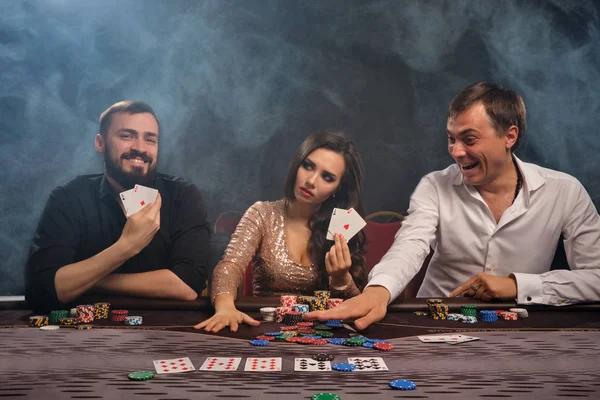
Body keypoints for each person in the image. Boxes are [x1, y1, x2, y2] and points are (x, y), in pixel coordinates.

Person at [305, 81, 600, 330]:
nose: (456, 152)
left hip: (518, 329)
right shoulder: (434, 186)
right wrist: (379, 291)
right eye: (451, 139)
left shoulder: (565, 191)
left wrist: (518, 286)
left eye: (469, 139)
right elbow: (409, 247)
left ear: (510, 136)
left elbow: (596, 278)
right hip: (432, 326)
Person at [25, 101, 211, 313]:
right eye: (126, 136)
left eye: (150, 139)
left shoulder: (182, 196)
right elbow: (42, 289)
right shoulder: (68, 198)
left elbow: (187, 285)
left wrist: (91, 280)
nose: (140, 148)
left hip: (165, 332)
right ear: (100, 143)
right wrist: (126, 246)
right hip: (85, 335)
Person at [195, 130, 368, 332]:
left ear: (338, 188)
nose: (311, 180)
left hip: (321, 335)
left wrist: (341, 280)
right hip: (266, 328)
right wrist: (225, 307)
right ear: (297, 164)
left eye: (327, 177)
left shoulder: (340, 227)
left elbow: (357, 309)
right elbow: (229, 266)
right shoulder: (262, 213)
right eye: (308, 166)